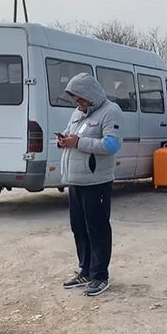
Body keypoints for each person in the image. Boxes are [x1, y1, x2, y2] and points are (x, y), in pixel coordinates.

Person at [59, 73, 123, 297]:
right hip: (75, 180)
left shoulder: (110, 111)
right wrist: (65, 141)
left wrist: (78, 143)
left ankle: (99, 276)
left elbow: (112, 144)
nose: (78, 103)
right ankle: (85, 270)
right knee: (79, 228)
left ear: (91, 94)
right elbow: (74, 137)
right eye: (75, 99)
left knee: (97, 229)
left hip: (97, 182)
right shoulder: (78, 113)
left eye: (80, 98)